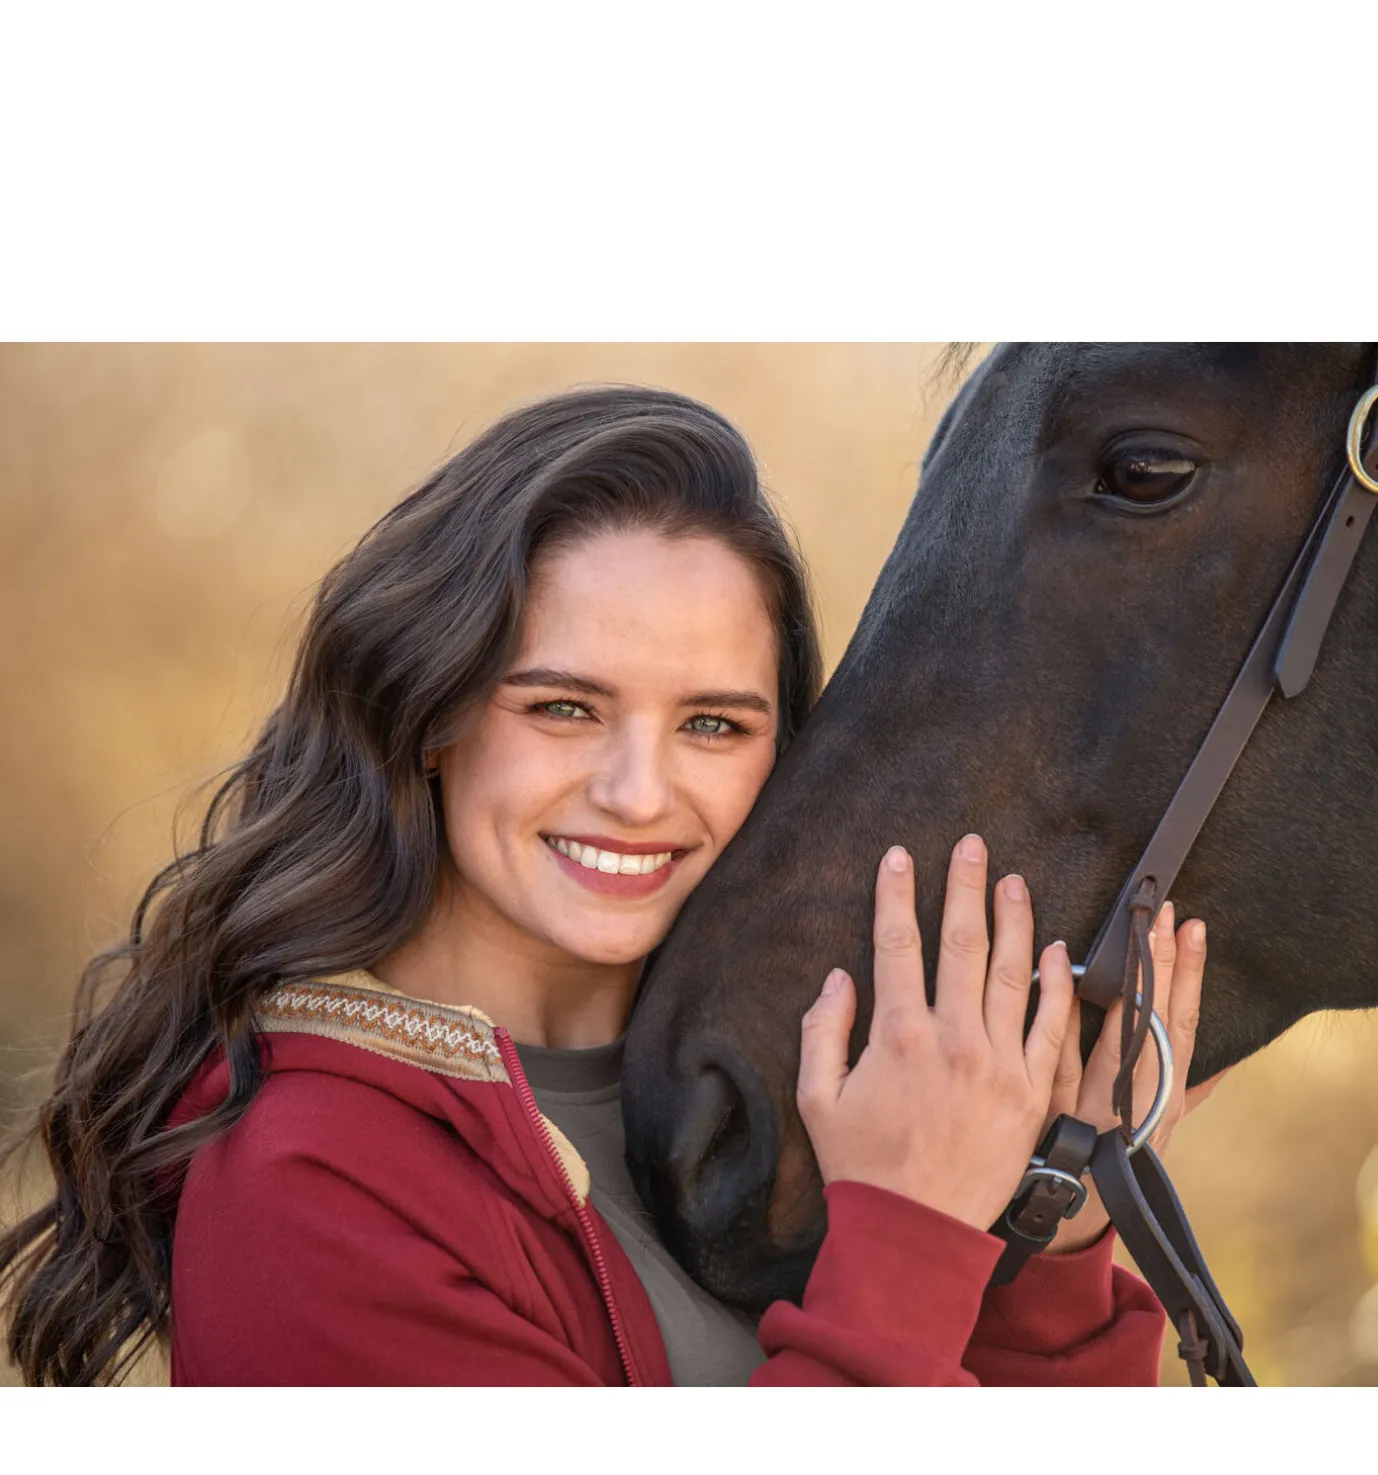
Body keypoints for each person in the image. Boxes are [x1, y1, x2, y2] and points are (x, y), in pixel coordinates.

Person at [0, 384, 1212, 1386]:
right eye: (564, 707)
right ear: (428, 712)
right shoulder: (307, 1176)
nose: (638, 793)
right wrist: (906, 1237)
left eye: (713, 725)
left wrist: (1049, 1226)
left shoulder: (815, 1088)